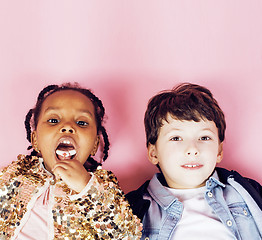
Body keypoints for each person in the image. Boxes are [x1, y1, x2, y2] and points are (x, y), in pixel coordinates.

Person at [0, 83, 142, 239]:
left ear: (95, 145)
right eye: (53, 120)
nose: (67, 127)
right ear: (35, 140)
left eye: (82, 123)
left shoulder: (102, 186)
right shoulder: (17, 173)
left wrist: (86, 188)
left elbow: (127, 235)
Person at [126, 83, 262, 239]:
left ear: (219, 150)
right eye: (176, 138)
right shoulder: (133, 208)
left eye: (204, 137)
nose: (192, 149)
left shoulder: (246, 192)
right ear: (153, 153)